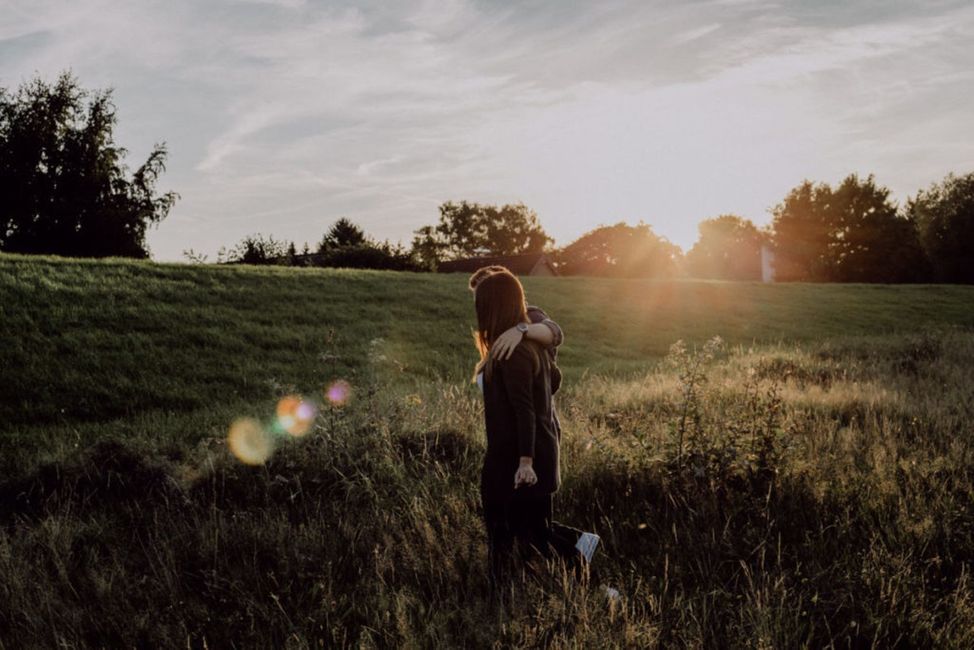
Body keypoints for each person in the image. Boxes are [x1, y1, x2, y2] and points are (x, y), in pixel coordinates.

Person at [470, 266, 597, 601]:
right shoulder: (509, 345)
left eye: (479, 300)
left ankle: (502, 598)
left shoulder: (517, 345)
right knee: (529, 531)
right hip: (524, 448)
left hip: (520, 451)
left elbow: (524, 410)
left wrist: (524, 461)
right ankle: (571, 558)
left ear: (492, 303)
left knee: (516, 532)